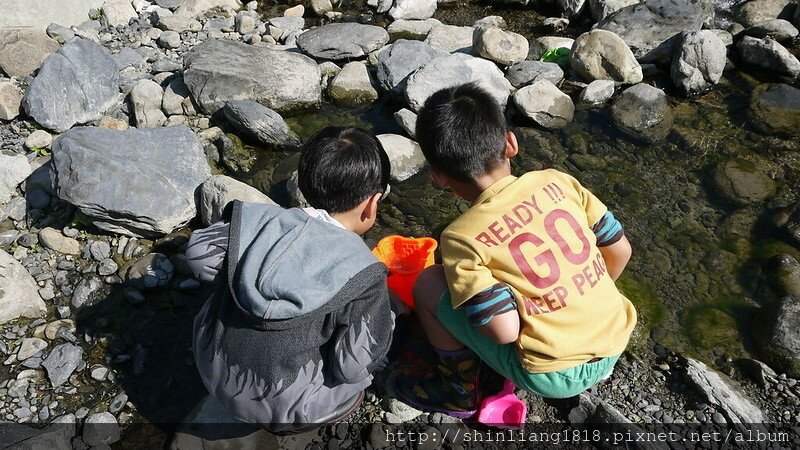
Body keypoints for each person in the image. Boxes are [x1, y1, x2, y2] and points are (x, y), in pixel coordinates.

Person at [394, 83, 637, 418]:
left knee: (427, 284)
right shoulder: (559, 181)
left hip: (554, 375)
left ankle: (458, 392)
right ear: (511, 143)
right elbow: (620, 250)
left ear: (438, 177)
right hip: (617, 335)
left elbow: (504, 332)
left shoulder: (460, 238)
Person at [186, 126, 395, 433]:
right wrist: (388, 315)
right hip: (288, 408)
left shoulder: (260, 221)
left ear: (305, 183)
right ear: (371, 204)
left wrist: (244, 274)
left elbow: (199, 254)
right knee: (376, 339)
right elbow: (352, 367)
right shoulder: (366, 274)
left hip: (210, 363)